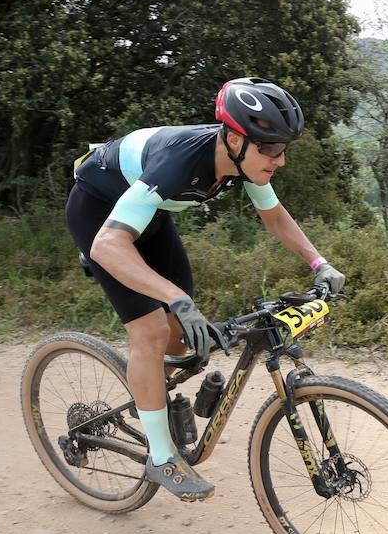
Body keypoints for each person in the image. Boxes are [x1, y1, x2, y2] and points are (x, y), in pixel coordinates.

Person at [67, 77, 345, 503]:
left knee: (186, 336)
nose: (281, 159)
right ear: (235, 139)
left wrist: (319, 262)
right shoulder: (181, 162)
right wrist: (175, 297)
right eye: (271, 149)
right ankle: (160, 458)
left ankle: (156, 397)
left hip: (151, 216)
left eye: (283, 148)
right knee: (152, 332)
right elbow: (108, 244)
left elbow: (274, 216)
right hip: (99, 217)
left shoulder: (242, 159)